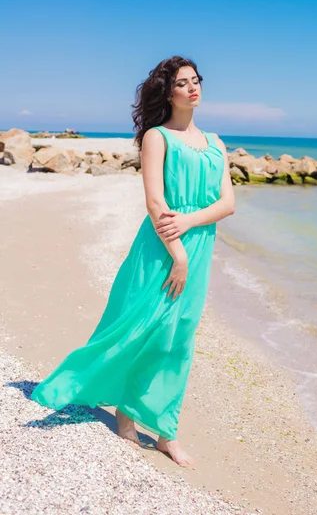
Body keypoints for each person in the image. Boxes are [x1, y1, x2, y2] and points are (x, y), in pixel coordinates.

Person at [31, 55, 235, 467]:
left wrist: (191, 223)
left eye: (196, 80)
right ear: (168, 91)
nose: (193, 88)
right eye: (183, 83)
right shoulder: (158, 138)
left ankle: (166, 431)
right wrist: (177, 253)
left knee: (179, 339)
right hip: (163, 248)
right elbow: (156, 202)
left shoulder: (215, 142)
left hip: (199, 246)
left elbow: (228, 203)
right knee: (144, 330)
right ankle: (126, 414)